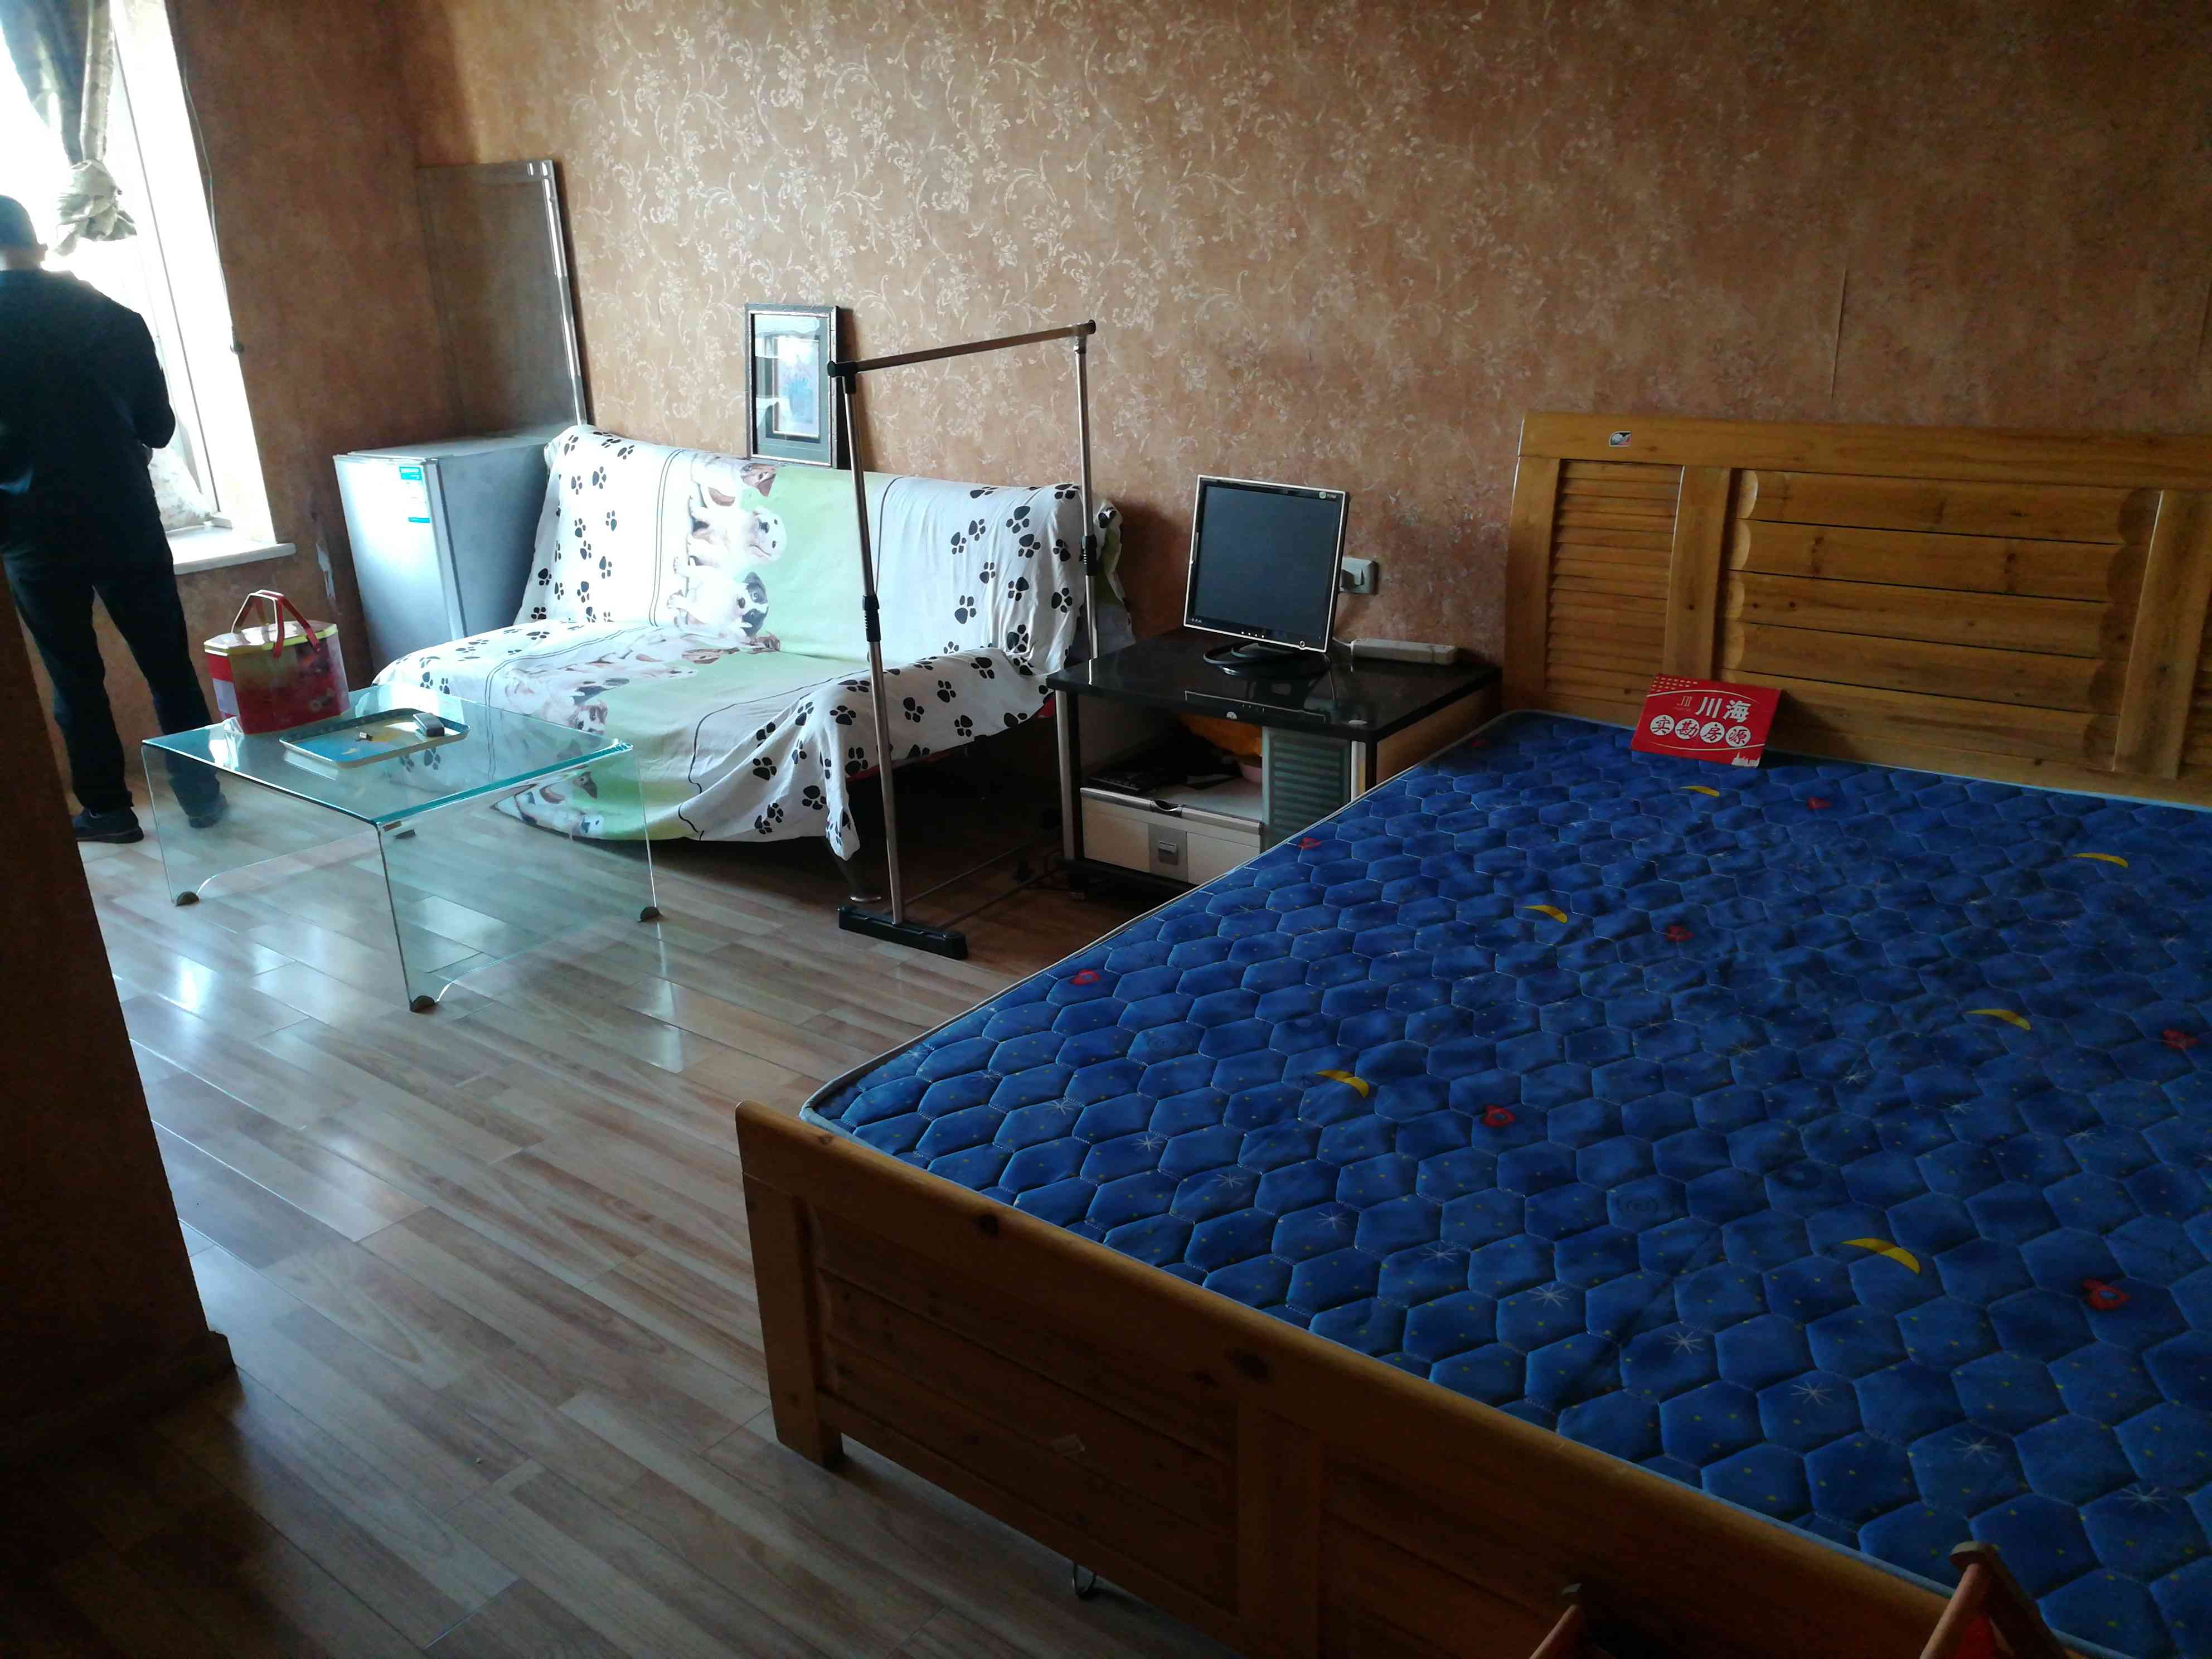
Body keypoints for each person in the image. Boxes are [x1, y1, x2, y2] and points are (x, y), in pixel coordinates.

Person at [0, 193, 222, 842]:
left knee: (74, 676)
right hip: (125, 516)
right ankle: (203, 798)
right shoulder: (115, 317)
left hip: (33, 530)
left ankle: (107, 809)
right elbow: (157, 428)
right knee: (168, 664)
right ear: (40, 245)